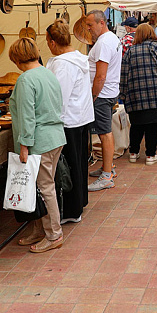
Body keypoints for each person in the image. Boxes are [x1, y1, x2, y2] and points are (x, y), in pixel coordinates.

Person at [8, 38, 67, 253]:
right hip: (54, 136)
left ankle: (54, 234)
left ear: (16, 58)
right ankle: (41, 230)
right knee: (41, 187)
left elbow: (27, 116)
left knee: (45, 188)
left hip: (40, 140)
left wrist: (24, 145)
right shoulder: (47, 73)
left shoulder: (25, 79)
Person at [45, 20, 94, 224]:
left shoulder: (63, 64)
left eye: (48, 41)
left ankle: (72, 210)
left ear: (54, 42)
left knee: (70, 167)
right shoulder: (79, 59)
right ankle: (79, 203)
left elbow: (59, 98)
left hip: (69, 121)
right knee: (79, 163)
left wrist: (52, 121)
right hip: (81, 117)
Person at [119, 24, 157, 165]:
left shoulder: (130, 51)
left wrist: (123, 94)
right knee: (153, 126)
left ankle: (134, 152)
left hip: (135, 96)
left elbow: (124, 75)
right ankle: (151, 155)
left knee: (136, 124)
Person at [85, 10, 122, 192]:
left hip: (102, 94)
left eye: (90, 25)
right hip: (108, 92)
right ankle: (109, 168)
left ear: (101, 23)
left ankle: (107, 176)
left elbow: (100, 76)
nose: (89, 29)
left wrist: (92, 96)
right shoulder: (111, 39)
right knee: (105, 132)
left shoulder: (104, 43)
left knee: (104, 132)